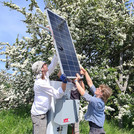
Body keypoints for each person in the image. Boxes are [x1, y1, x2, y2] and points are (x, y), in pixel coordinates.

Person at [31, 54, 67, 134]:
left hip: (43, 113)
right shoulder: (40, 83)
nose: (46, 64)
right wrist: (64, 82)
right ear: (41, 69)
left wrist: (57, 54)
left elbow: (52, 65)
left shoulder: (45, 76)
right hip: (39, 116)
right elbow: (58, 94)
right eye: (44, 65)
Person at [74, 68, 112, 134]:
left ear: (101, 94)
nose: (96, 88)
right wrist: (85, 73)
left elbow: (83, 94)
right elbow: (90, 84)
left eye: (98, 89)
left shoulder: (98, 101)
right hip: (97, 128)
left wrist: (76, 82)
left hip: (96, 130)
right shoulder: (97, 95)